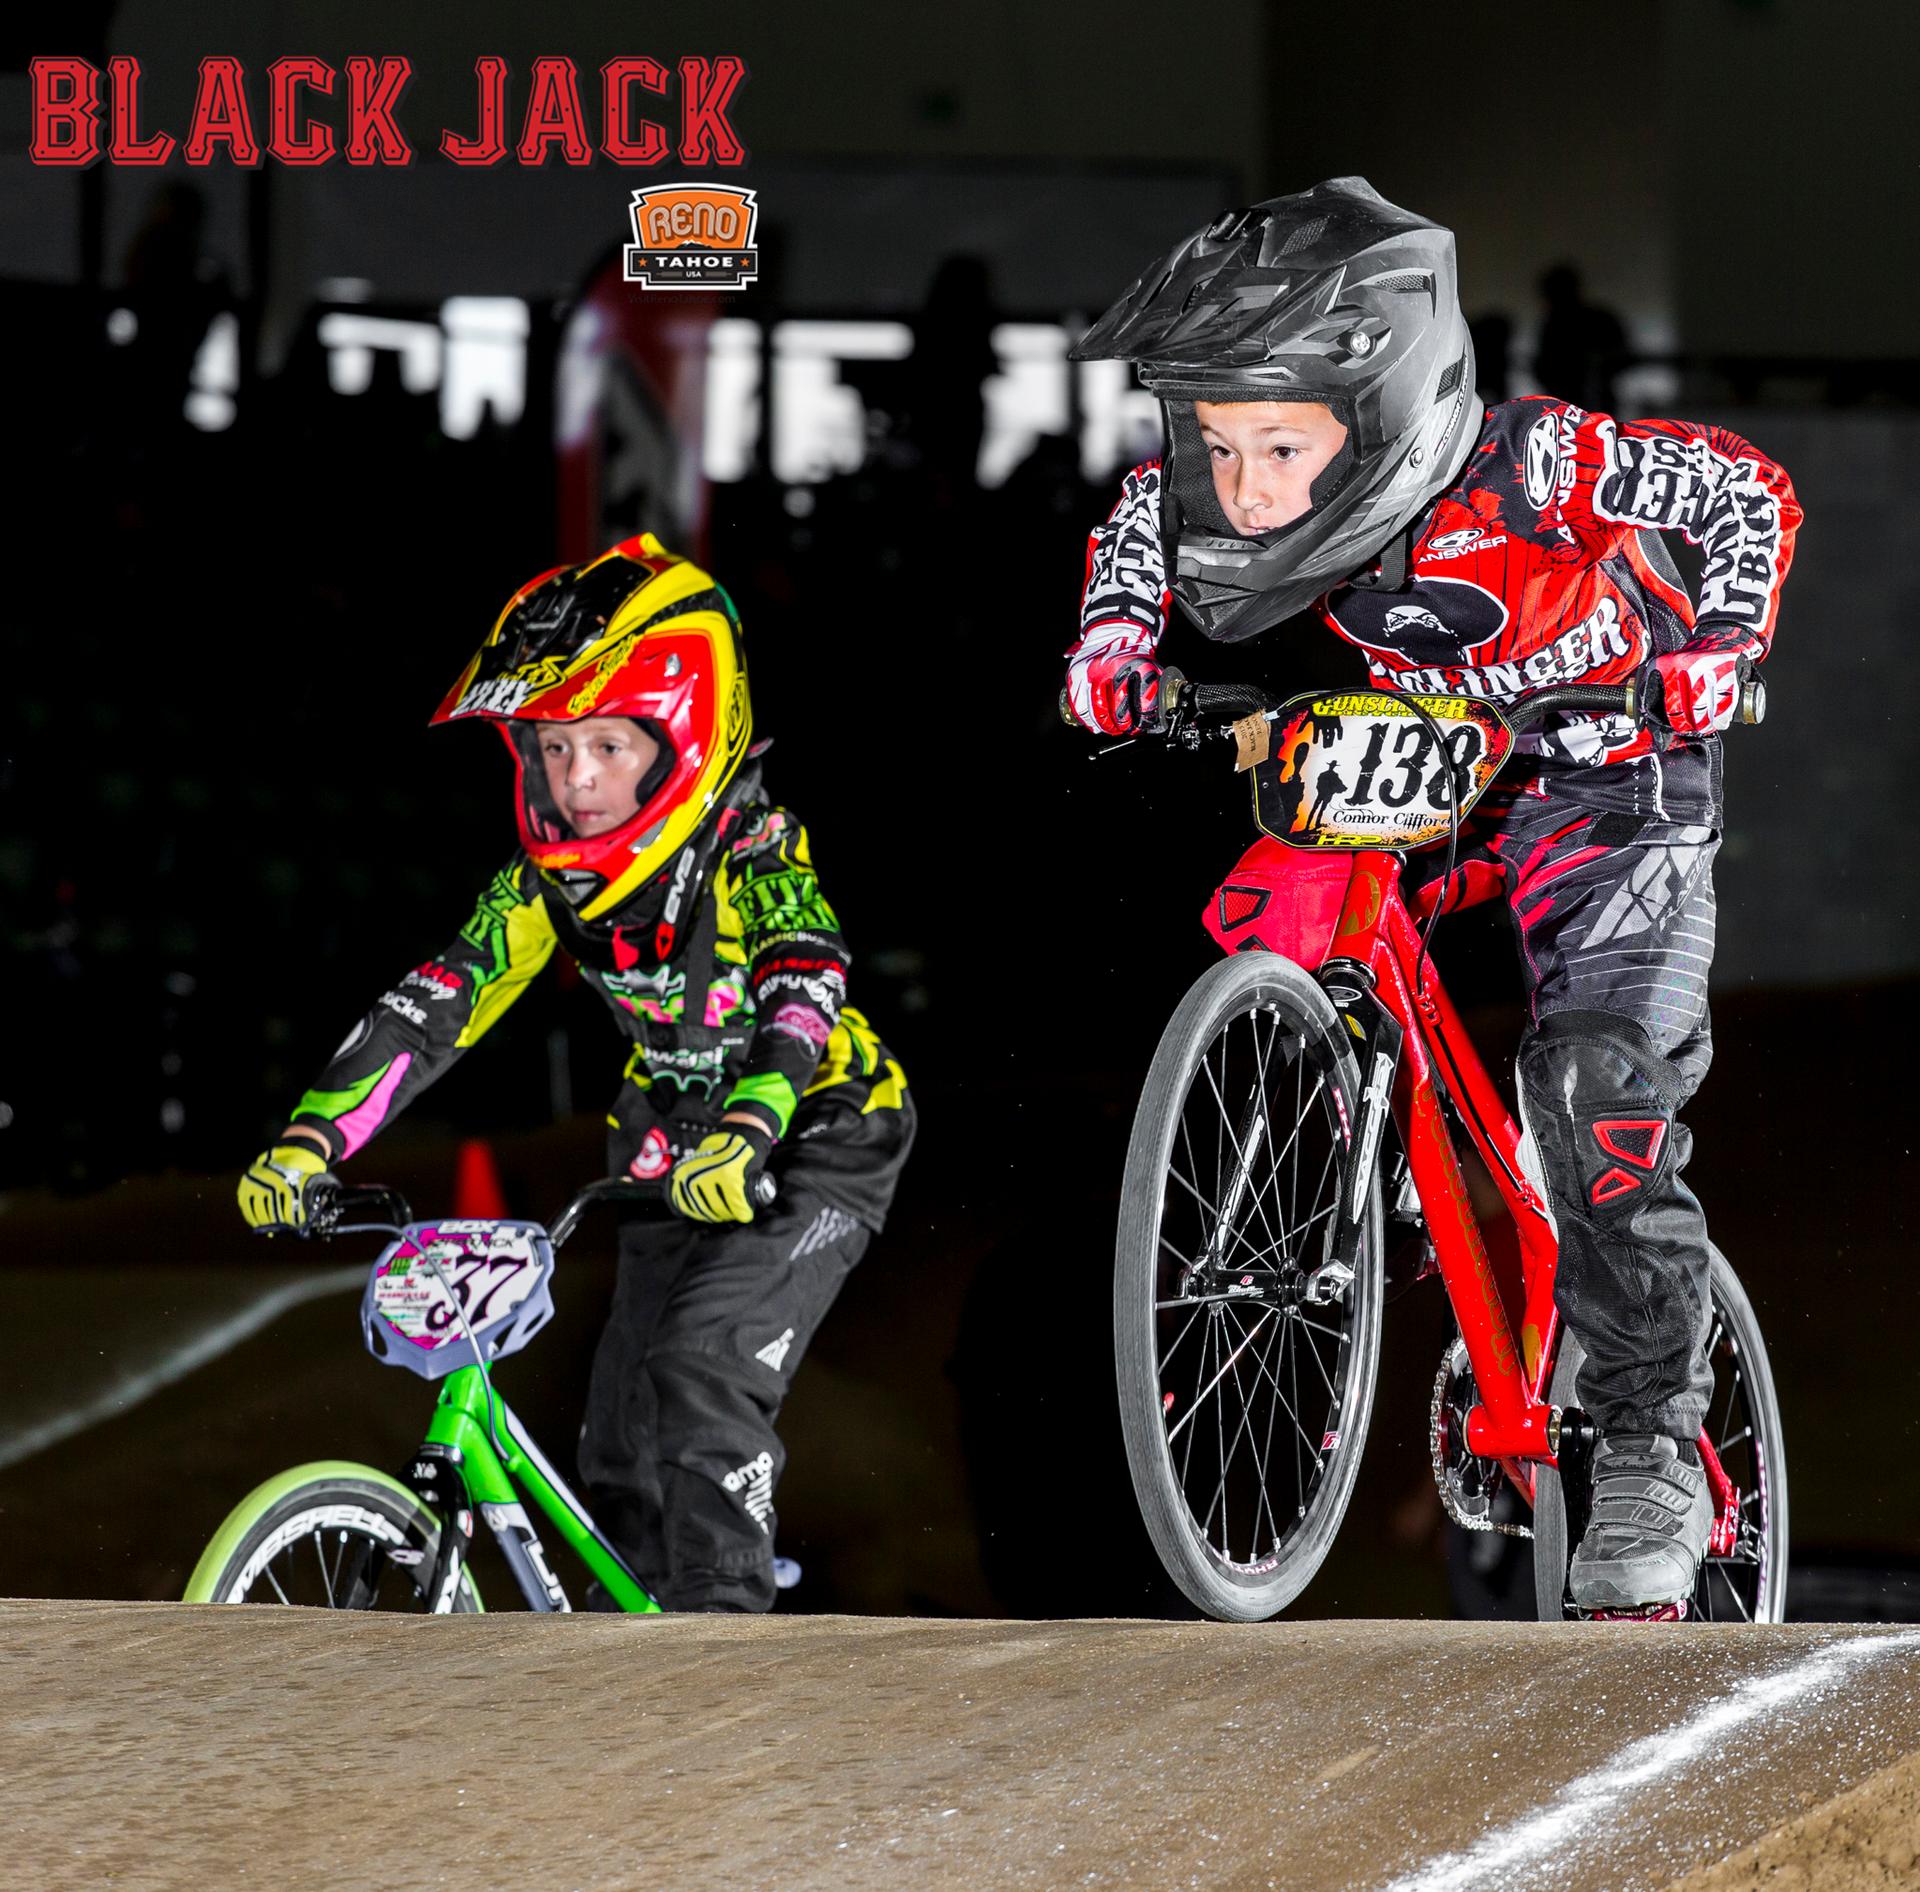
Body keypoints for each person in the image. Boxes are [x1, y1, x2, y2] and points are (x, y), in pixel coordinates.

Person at [1062, 177, 1799, 1615]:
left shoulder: (1537, 463)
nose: (1244, 489)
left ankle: (1649, 1439)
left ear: (1388, 404)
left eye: (1282, 447)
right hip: (1445, 758)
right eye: (1222, 445)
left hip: (1618, 773)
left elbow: (1740, 488)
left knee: (1595, 1086)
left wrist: (1720, 644)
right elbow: (1142, 518)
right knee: (1284, 904)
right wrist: (1112, 653)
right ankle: (1365, 1155)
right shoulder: (1220, 490)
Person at [236, 536, 914, 1612]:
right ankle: (622, 1645)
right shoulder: (546, 883)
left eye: (607, 744)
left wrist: (753, 1121)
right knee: (620, 1435)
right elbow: (440, 998)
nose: (576, 778)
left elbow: (804, 975)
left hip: (821, 1130)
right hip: (670, 1135)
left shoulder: (752, 845)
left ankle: (732, 1636)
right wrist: (311, 1139)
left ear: (685, 740)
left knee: (702, 1368)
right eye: (553, 747)